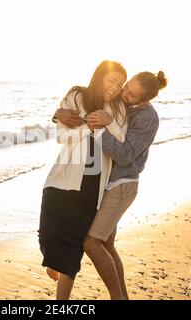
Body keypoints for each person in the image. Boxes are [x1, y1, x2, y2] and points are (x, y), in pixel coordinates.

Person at [55, 71, 167, 299]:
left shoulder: (148, 118)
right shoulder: (123, 103)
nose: (124, 94)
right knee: (106, 244)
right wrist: (58, 113)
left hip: (121, 185)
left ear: (144, 100)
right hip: (106, 183)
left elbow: (125, 155)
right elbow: (87, 106)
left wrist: (102, 127)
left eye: (132, 95)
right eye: (126, 87)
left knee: (92, 242)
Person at [38, 60, 128, 300]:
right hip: (62, 181)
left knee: (72, 255)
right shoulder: (77, 96)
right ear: (99, 77)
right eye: (112, 80)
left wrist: (108, 123)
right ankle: (53, 259)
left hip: (92, 189)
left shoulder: (118, 109)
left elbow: (121, 142)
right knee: (46, 236)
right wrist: (89, 127)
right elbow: (61, 136)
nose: (116, 87)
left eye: (120, 84)